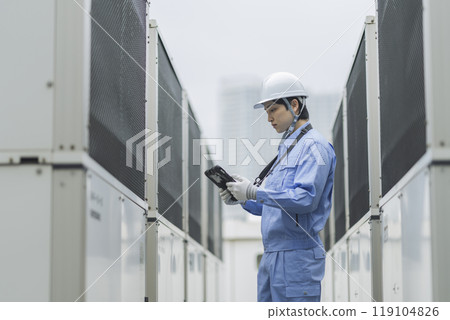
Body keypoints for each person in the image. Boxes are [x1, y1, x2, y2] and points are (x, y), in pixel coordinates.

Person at [220, 72, 336, 302]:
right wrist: (242, 197)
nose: (269, 118)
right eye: (266, 112)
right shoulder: (288, 149)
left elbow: (304, 199)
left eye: (273, 110)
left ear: (294, 105)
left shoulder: (314, 146)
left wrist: (254, 191)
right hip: (272, 256)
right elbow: (274, 206)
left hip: (297, 257)